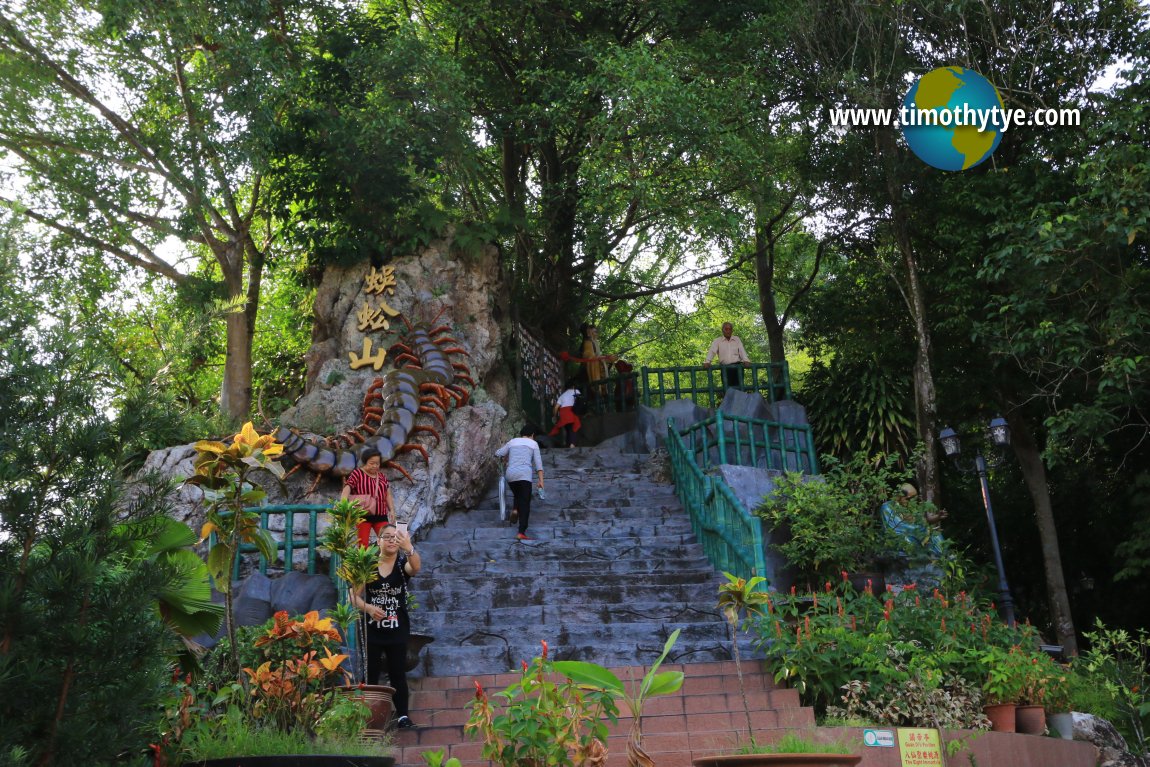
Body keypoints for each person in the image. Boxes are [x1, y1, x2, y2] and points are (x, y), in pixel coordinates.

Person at [347, 523, 421, 729]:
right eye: (386, 536)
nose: (390, 540)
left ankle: (403, 716)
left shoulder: (400, 565)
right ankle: (369, 717)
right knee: (371, 673)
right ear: (377, 541)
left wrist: (409, 548)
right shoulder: (368, 567)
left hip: (397, 629)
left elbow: (415, 567)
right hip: (373, 630)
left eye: (394, 537)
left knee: (398, 672)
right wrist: (369, 608)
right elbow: (353, 596)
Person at [495, 424, 545, 540]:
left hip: (511, 474)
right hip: (524, 474)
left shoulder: (512, 442)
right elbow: (539, 465)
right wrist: (541, 481)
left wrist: (506, 457)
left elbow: (498, 453)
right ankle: (521, 531)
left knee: (518, 494)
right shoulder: (533, 444)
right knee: (525, 502)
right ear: (532, 435)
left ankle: (515, 509)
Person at [340, 448, 396, 547]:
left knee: (387, 541)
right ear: (365, 461)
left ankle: (386, 562)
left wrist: (391, 510)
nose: (375, 466)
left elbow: (387, 494)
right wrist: (343, 505)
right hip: (363, 515)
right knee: (363, 545)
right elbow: (347, 488)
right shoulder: (357, 473)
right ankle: (362, 563)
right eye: (372, 463)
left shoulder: (382, 476)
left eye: (377, 463)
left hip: (381, 515)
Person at [880, 483, 948, 558]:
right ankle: (921, 564)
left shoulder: (912, 507)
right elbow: (899, 526)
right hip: (898, 537)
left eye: (914, 498)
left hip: (918, 535)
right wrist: (925, 530)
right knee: (909, 542)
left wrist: (937, 517)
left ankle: (942, 560)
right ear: (899, 497)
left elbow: (922, 522)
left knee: (937, 535)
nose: (912, 501)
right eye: (909, 498)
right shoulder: (888, 507)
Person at [704, 322, 751, 391]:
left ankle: (740, 401)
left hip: (737, 367)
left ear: (732, 330)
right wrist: (707, 361)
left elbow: (741, 350)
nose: (728, 331)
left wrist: (746, 360)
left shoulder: (736, 339)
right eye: (726, 329)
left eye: (730, 329)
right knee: (728, 390)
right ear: (722, 330)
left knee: (740, 389)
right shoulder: (717, 341)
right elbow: (712, 351)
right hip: (725, 368)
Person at [580, 323, 616, 398]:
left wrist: (607, 358)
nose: (595, 334)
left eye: (596, 332)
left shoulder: (595, 342)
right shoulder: (588, 342)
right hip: (591, 368)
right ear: (589, 332)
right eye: (594, 332)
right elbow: (589, 355)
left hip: (598, 365)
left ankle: (603, 390)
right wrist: (600, 358)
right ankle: (598, 389)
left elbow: (598, 356)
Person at [549, 382, 581, 448]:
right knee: (573, 428)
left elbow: (556, 407)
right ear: (573, 386)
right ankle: (572, 445)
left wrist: (555, 416)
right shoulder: (576, 391)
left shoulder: (562, 395)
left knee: (568, 429)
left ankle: (568, 445)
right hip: (571, 411)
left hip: (563, 413)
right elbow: (580, 400)